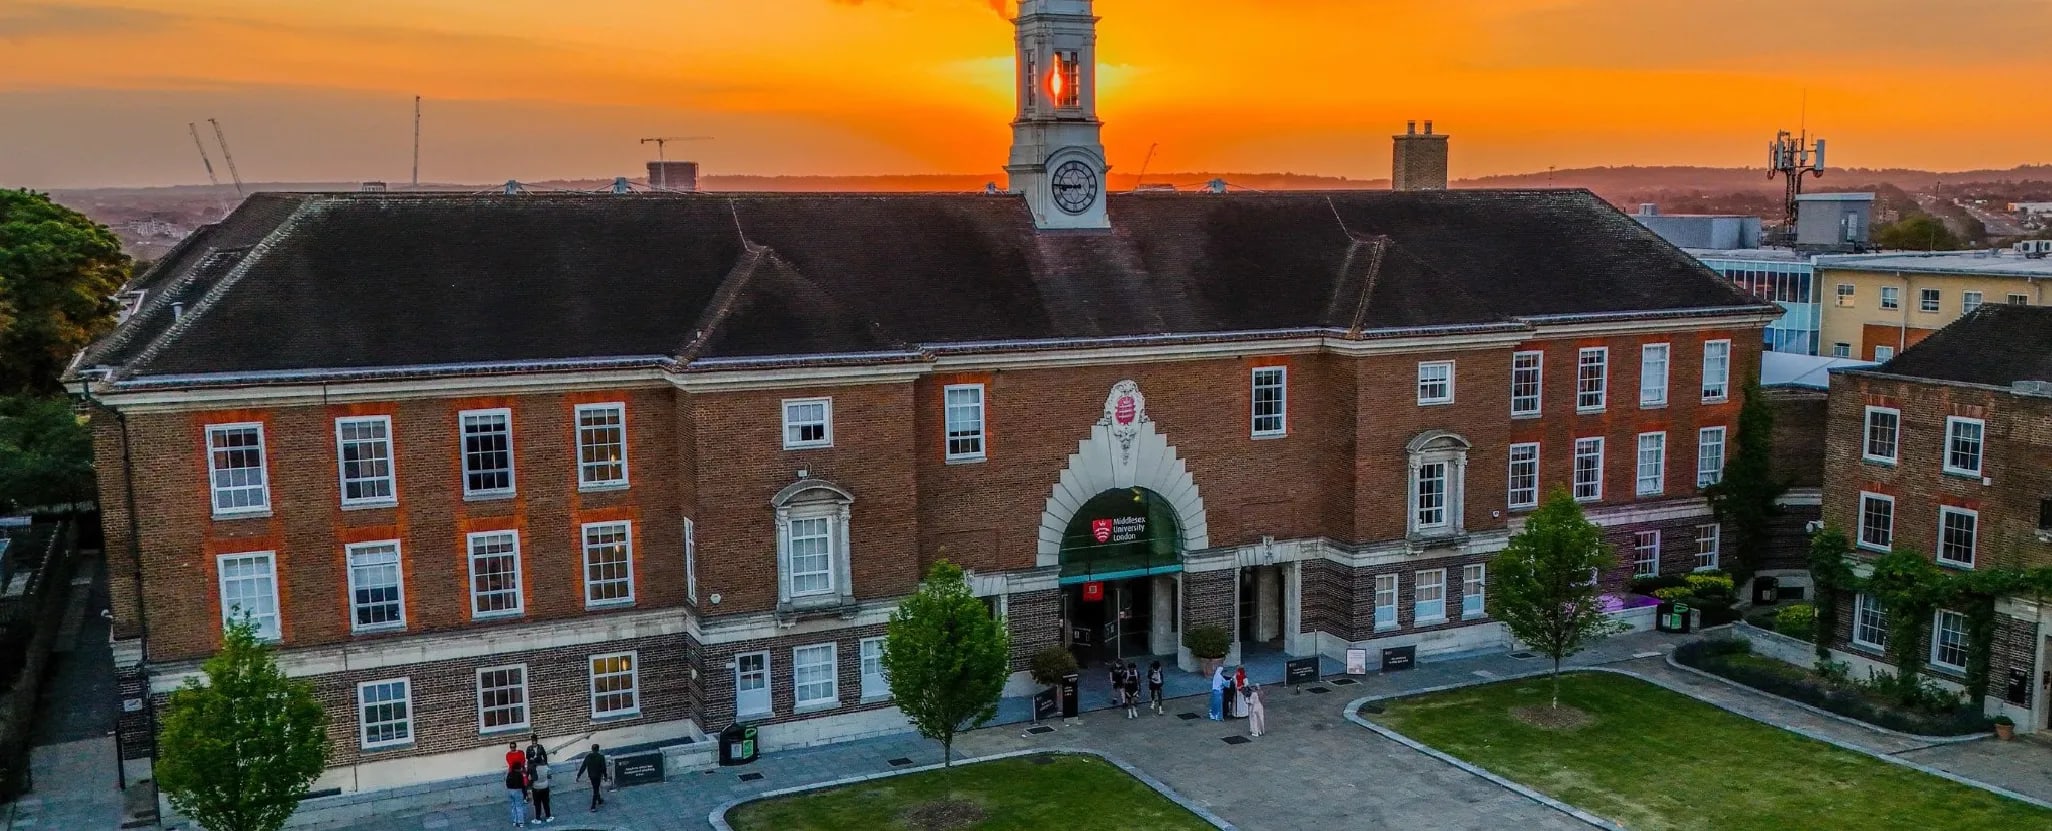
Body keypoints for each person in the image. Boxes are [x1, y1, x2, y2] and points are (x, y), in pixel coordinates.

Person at [576, 743, 609, 812]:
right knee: (596, 789)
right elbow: (603, 768)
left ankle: (599, 800)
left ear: (592, 749)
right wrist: (605, 776)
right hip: (598, 775)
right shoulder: (601, 757)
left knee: (595, 787)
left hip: (591, 775)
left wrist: (578, 775)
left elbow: (583, 766)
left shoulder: (588, 756)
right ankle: (593, 806)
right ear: (598, 749)